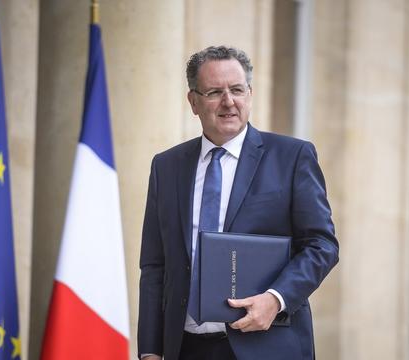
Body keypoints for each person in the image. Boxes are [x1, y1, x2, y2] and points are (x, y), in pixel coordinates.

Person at [137, 46, 339, 360]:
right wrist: (150, 350)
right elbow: (154, 265)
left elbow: (322, 244)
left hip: (266, 344)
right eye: (215, 91)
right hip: (186, 348)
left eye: (237, 90)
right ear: (193, 101)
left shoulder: (291, 157)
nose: (228, 101)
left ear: (250, 93)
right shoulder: (167, 166)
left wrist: (276, 299)